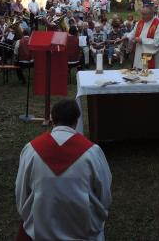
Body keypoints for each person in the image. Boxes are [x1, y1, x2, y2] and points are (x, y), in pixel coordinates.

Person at [15, 99, 112, 241]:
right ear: (77, 121)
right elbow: (104, 194)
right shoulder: (92, 152)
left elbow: (21, 191)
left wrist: (27, 215)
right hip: (83, 228)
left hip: (40, 228)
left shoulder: (31, 150)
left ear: (52, 119)